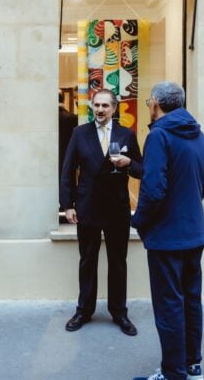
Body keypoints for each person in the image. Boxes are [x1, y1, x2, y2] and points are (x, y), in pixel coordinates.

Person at [131, 81, 204, 380]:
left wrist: (138, 220)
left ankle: (173, 373)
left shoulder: (159, 136)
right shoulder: (199, 136)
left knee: (169, 308)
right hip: (194, 232)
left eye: (149, 102)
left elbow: (153, 190)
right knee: (191, 301)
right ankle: (192, 367)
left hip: (167, 238)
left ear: (156, 103)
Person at [60, 89, 143, 336]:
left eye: (105, 106)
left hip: (117, 207)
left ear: (114, 109)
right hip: (88, 206)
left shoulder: (126, 134)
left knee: (118, 262)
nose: (100, 110)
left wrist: (128, 164)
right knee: (87, 260)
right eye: (96, 105)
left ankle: (119, 312)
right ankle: (84, 310)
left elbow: (142, 169)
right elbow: (68, 171)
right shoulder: (79, 133)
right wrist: (68, 205)